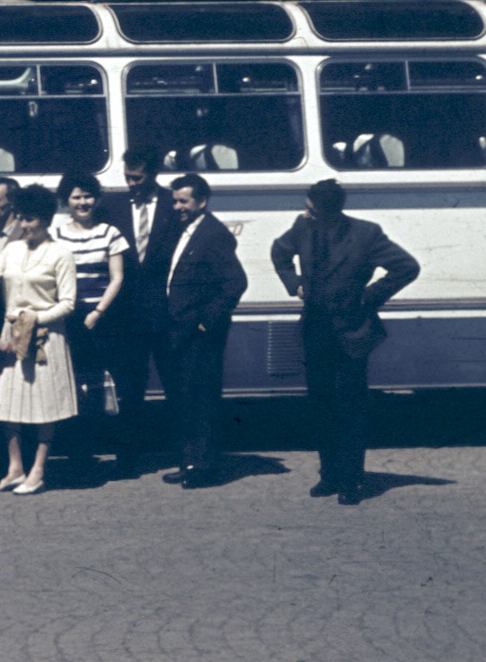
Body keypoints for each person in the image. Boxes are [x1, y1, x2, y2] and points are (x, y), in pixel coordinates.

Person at [270, 178, 419, 505]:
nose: (304, 212)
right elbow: (279, 252)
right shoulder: (302, 227)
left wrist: (366, 298)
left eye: (310, 208)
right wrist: (294, 284)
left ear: (328, 212)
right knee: (321, 404)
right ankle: (330, 475)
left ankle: (352, 479)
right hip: (315, 330)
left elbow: (407, 267)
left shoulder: (366, 234)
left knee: (350, 408)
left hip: (351, 331)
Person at [0, 184, 78, 497]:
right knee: (8, 404)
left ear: (46, 219)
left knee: (44, 407)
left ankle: (38, 470)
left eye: (30, 220)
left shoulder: (61, 254)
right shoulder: (12, 250)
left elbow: (68, 302)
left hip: (44, 337)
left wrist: (35, 319)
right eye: (22, 218)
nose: (23, 225)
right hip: (12, 334)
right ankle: (15, 467)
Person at [95, 147, 184, 476]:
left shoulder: (173, 205)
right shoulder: (111, 206)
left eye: (137, 177)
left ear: (154, 174)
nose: (131, 183)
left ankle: (183, 455)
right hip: (126, 316)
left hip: (165, 312)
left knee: (175, 386)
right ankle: (127, 458)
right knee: (129, 390)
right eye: (127, 177)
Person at [160, 174, 247, 489]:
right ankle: (188, 463)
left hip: (200, 335)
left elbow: (236, 282)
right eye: (175, 200)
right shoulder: (185, 230)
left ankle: (204, 467)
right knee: (185, 400)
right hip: (179, 332)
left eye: (183, 201)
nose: (177, 206)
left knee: (201, 402)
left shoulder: (213, 234)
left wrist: (206, 320)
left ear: (202, 202)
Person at [51, 172, 128, 475]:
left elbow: (117, 277)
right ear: (66, 201)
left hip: (102, 319)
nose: (82, 202)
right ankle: (79, 454)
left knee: (104, 388)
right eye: (76, 196)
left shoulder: (110, 233)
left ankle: (116, 452)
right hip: (69, 318)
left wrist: (97, 312)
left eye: (87, 196)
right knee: (73, 387)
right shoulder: (57, 235)